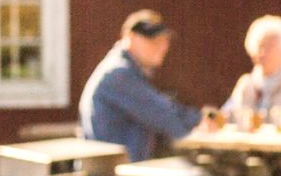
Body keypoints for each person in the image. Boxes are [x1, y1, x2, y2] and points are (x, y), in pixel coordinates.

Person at [78, 9, 219, 159]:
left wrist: (197, 120)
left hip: (119, 169)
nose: (162, 46)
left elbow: (161, 109)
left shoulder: (125, 70)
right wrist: (198, 123)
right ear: (129, 37)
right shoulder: (119, 73)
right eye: (152, 39)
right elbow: (162, 115)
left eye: (164, 40)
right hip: (114, 175)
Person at [222, 14, 281, 128]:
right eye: (259, 46)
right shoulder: (246, 83)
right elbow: (226, 117)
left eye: (269, 47)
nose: (262, 53)